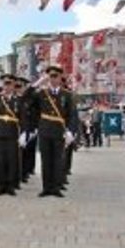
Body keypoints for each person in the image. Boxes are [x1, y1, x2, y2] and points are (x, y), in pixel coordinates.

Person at [28, 66, 78, 197]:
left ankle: (56, 188)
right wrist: (38, 82)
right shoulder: (41, 94)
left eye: (55, 76)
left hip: (59, 131)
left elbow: (72, 115)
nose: (53, 79)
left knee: (58, 160)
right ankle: (46, 188)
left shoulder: (66, 95)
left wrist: (71, 131)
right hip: (45, 130)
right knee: (45, 160)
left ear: (61, 78)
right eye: (50, 76)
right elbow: (26, 98)